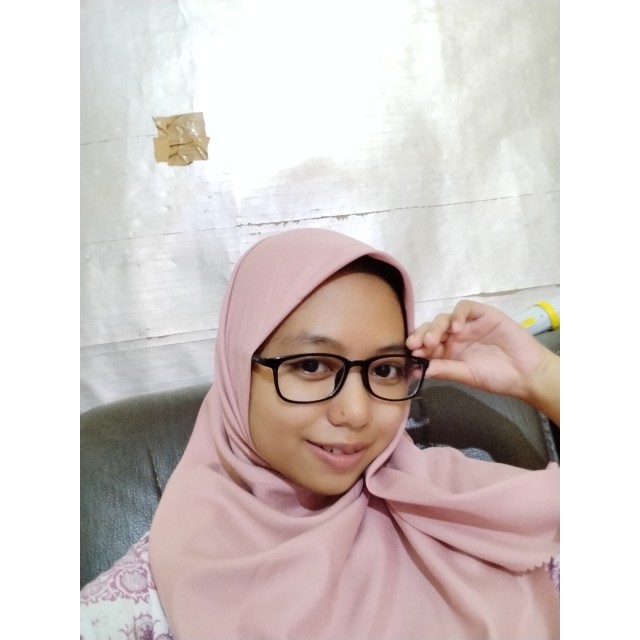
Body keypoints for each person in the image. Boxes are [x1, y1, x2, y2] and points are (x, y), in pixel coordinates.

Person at [81, 228, 559, 639]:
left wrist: (541, 378)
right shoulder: (148, 598)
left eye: (386, 369)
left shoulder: (460, 505)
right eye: (311, 365)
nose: (356, 412)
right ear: (237, 371)